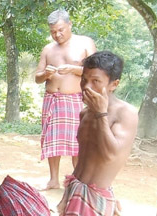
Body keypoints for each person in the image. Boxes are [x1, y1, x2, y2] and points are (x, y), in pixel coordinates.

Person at [59, 51, 138, 216]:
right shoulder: (84, 113)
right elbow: (82, 155)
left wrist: (102, 114)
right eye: (84, 79)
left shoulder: (125, 114)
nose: (86, 87)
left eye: (96, 81)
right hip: (77, 191)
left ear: (113, 84)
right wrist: (67, 194)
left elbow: (110, 154)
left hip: (95, 197)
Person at [34, 9, 97, 190]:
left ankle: (78, 179)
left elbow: (95, 71)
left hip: (75, 100)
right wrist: (45, 74)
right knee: (52, 141)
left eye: (61, 30)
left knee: (77, 141)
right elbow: (37, 78)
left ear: (70, 25)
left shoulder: (85, 43)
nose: (57, 34)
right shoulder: (48, 49)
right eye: (53, 31)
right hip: (52, 100)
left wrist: (73, 69)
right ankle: (53, 179)